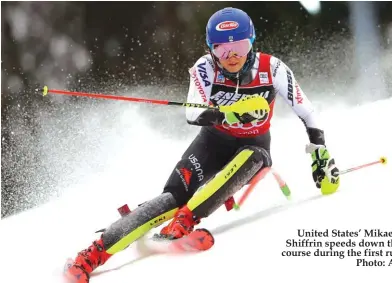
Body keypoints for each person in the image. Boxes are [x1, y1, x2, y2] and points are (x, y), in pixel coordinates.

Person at [64, 7, 340, 283]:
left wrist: (320, 151)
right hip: (212, 143)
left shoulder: (273, 69)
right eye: (221, 50)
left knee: (253, 157)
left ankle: (183, 223)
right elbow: (193, 113)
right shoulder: (204, 68)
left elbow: (307, 111)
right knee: (171, 199)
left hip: (254, 148)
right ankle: (91, 256)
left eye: (240, 47)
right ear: (211, 50)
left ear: (252, 43)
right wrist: (229, 114)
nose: (231, 57)